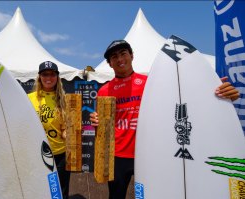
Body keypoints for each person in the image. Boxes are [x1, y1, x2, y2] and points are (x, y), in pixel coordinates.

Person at [90, 39, 240, 199]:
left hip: (150, 153)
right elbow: (102, 129)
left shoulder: (151, 83)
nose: (120, 59)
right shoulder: (105, 90)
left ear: (132, 56)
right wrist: (96, 122)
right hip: (118, 155)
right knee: (116, 196)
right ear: (109, 63)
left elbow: (184, 99)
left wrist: (212, 90)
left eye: (123, 54)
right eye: (114, 57)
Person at [0, 61, 70, 199]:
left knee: (59, 193)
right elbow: (10, 123)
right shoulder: (28, 99)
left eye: (52, 74)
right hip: (34, 154)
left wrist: (69, 133)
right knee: (37, 192)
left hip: (59, 154)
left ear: (57, 77)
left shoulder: (64, 100)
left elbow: (65, 129)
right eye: (45, 74)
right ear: (39, 77)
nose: (48, 78)